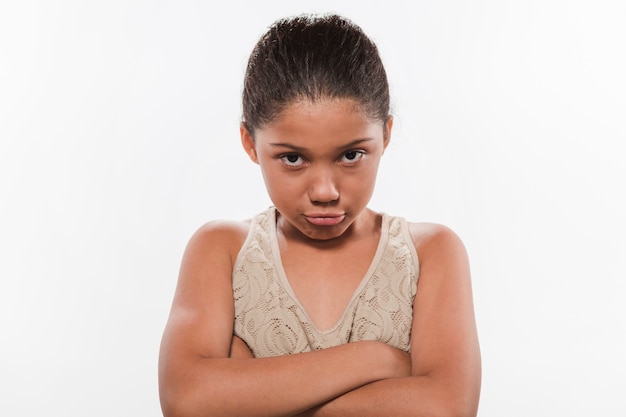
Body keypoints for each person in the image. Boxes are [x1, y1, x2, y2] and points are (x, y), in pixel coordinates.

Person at [158, 13, 481, 417]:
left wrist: (249, 390)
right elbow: (187, 400)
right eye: (292, 158)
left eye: (351, 155)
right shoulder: (222, 250)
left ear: (386, 135)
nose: (325, 192)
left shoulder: (431, 253)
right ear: (250, 143)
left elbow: (444, 408)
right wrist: (377, 360)